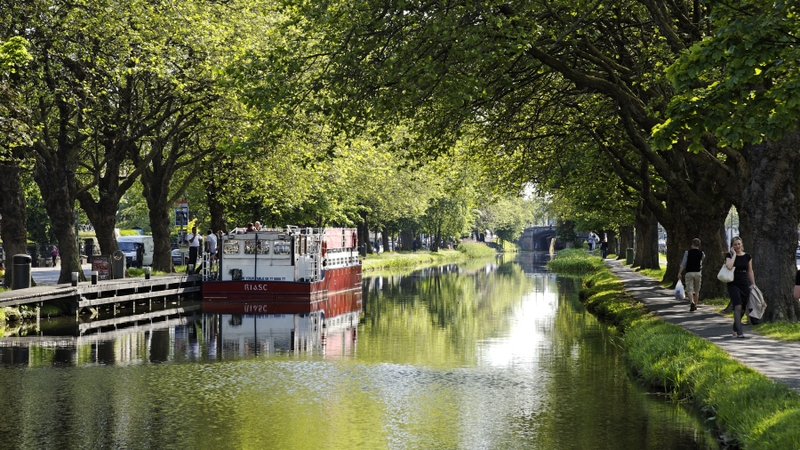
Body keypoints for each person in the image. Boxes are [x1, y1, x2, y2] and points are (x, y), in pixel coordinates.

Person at [724, 236, 756, 338]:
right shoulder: (729, 255)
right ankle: (740, 332)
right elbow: (729, 266)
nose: (737, 246)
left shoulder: (747, 256)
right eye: (735, 245)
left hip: (744, 282)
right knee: (737, 306)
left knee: (742, 308)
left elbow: (750, 271)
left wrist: (753, 284)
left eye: (738, 244)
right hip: (733, 282)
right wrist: (734, 254)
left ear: (741, 244)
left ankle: (735, 327)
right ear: (732, 246)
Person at [677, 238, 705, 312]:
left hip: (689, 272)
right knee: (697, 290)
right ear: (699, 245)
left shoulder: (687, 252)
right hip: (698, 272)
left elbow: (683, 263)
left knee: (689, 289)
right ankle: (695, 305)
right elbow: (701, 262)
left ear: (692, 244)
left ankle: (691, 302)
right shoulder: (702, 253)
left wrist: (680, 273)